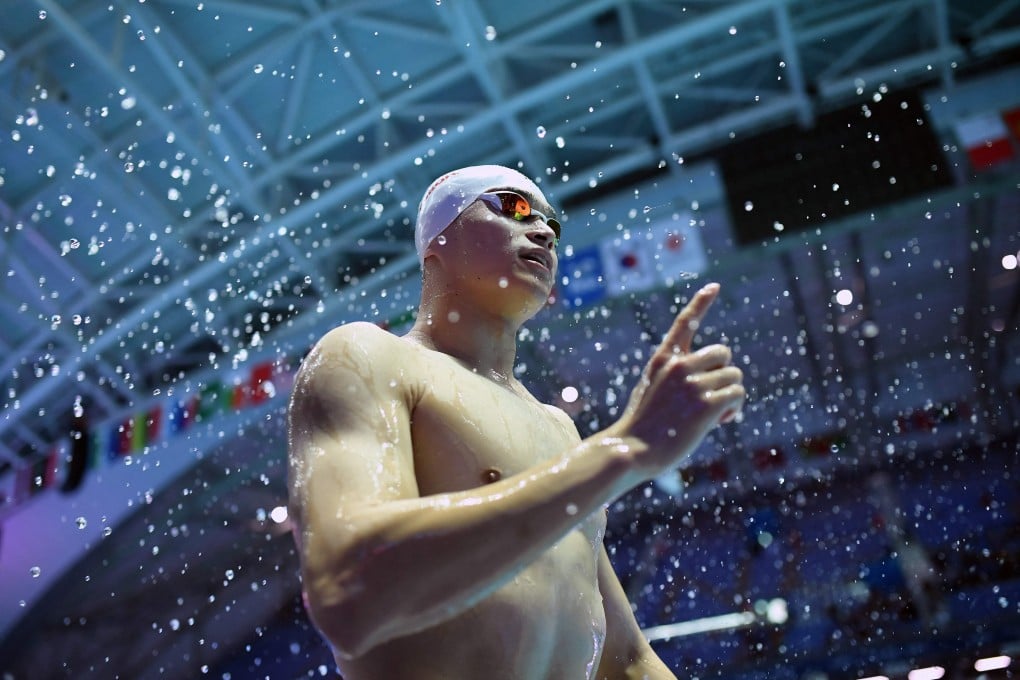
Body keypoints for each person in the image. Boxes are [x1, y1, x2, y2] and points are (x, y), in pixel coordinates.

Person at [287, 165, 745, 679]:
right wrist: (624, 449)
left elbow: (627, 661)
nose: (545, 230)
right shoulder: (370, 357)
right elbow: (349, 590)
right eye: (514, 207)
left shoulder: (558, 429)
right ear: (437, 240)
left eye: (553, 222)